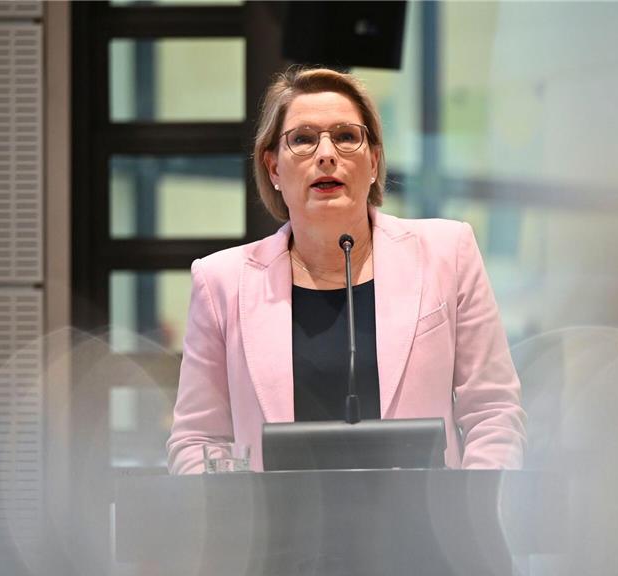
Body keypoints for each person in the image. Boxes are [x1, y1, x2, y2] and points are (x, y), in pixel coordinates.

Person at [167, 67, 525, 473]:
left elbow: (493, 411)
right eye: (302, 139)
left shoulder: (448, 252)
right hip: (279, 533)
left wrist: (467, 511)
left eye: (345, 136)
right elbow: (197, 439)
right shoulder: (222, 282)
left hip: (423, 530)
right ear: (273, 169)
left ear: (373, 161)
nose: (326, 154)